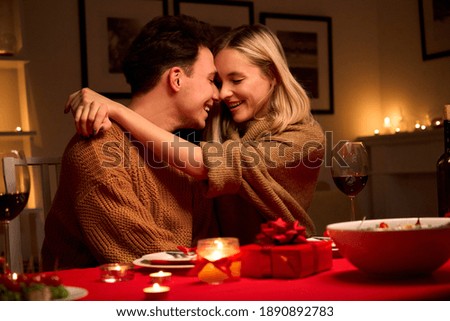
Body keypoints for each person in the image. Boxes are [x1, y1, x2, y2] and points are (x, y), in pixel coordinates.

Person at [67, 24, 325, 245]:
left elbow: (206, 163)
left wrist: (116, 109)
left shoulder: (303, 137)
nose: (221, 94)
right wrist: (89, 102)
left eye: (236, 80)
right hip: (227, 267)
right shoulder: (218, 122)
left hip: (285, 259)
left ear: (272, 75)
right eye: (216, 81)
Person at [41, 15, 219, 271]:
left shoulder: (182, 158)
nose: (217, 94)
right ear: (176, 79)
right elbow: (149, 261)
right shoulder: (97, 149)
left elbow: (207, 248)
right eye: (211, 80)